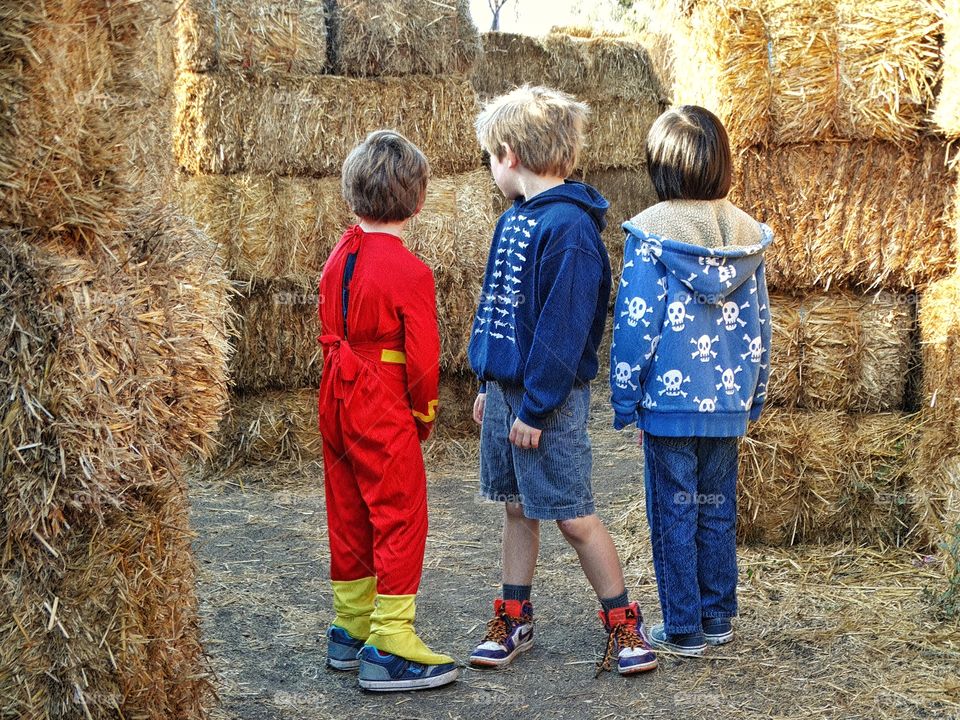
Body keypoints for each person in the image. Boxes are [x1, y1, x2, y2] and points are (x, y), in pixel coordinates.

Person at [467, 85, 658, 676]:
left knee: (572, 514)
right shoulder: (513, 222)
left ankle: (624, 624)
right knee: (518, 509)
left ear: (508, 153)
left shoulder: (571, 231)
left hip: (545, 403)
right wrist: (486, 380)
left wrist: (537, 406)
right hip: (507, 396)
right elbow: (497, 307)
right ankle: (514, 615)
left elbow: (564, 328)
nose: (491, 169)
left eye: (489, 159)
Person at [610, 105, 772, 656]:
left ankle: (682, 627)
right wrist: (755, 395)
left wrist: (625, 396)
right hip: (726, 401)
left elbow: (636, 323)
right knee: (715, 507)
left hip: (668, 404)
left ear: (661, 166)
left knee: (675, 508)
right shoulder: (747, 236)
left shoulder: (651, 234)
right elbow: (761, 325)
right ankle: (718, 616)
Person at [317, 129, 457, 691]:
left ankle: (349, 629)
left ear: (352, 194)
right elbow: (424, 357)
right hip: (380, 401)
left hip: (336, 394)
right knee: (399, 511)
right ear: (418, 201)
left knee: (348, 509)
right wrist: (423, 414)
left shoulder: (337, 258)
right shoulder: (410, 270)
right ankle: (391, 642)